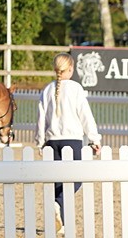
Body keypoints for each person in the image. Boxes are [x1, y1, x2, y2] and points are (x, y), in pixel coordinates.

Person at [36, 53, 101, 225]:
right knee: (76, 180)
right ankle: (57, 204)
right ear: (70, 69)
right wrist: (94, 138)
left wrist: (40, 141)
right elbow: (85, 115)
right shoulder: (75, 88)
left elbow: (41, 118)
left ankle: (61, 223)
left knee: (58, 182)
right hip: (72, 140)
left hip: (52, 141)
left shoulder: (47, 89)